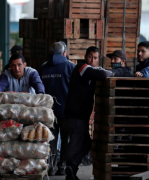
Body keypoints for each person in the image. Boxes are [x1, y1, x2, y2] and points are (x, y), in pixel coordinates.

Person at [64, 46, 114, 180]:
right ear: (86, 57)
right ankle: (70, 169)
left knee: (86, 144)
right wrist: (112, 73)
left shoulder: (91, 70)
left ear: (98, 59)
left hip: (81, 116)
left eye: (95, 58)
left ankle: (72, 169)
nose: (92, 60)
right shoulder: (82, 67)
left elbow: (101, 72)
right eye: (90, 57)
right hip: (75, 116)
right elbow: (103, 74)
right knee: (75, 145)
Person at [38, 41, 75, 176]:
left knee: (50, 140)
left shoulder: (43, 68)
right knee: (66, 140)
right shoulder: (70, 67)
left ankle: (51, 167)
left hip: (48, 112)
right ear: (64, 53)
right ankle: (63, 167)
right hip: (66, 111)